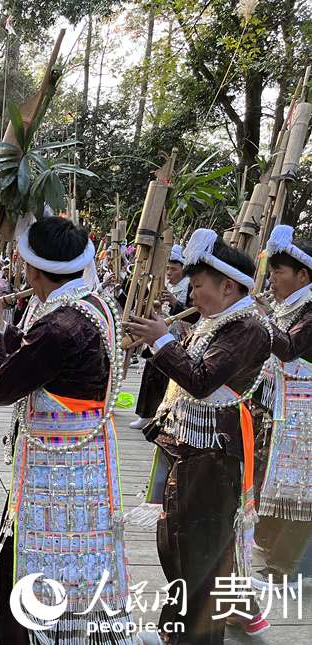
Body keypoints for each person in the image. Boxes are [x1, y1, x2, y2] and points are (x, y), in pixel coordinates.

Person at [0, 216, 132, 645]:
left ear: (31, 269)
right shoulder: (93, 304)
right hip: (83, 469)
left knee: (25, 574)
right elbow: (45, 363)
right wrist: (7, 330)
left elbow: (0, 386)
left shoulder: (60, 324)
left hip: (53, 478)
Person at [126, 229, 273, 644]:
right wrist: (156, 340)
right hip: (190, 448)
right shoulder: (217, 320)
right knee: (178, 546)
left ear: (228, 287)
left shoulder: (247, 328)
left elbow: (202, 381)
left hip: (215, 455)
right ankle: (175, 632)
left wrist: (162, 341)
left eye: (197, 286)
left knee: (201, 555)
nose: (191, 297)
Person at [252, 225, 312, 590]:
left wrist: (258, 318)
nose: (272, 278)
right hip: (286, 407)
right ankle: (276, 551)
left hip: (305, 410)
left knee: (302, 488)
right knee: (279, 478)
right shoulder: (289, 305)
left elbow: (289, 347)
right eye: (272, 271)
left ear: (303, 275)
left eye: (279, 272)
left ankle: (284, 568)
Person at [131, 244, 196, 430]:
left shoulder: (190, 286)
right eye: (167, 268)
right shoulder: (162, 284)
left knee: (170, 381)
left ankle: (163, 418)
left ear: (183, 270)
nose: (169, 272)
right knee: (151, 375)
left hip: (181, 339)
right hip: (158, 337)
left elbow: (195, 315)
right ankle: (146, 414)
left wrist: (175, 302)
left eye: (173, 269)